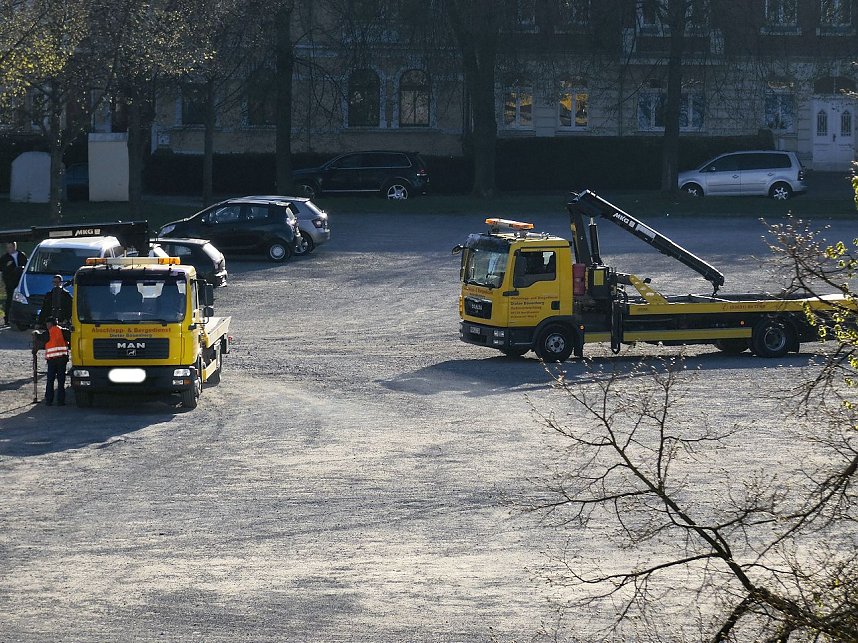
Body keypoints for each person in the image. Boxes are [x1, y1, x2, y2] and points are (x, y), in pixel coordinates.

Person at [43, 317, 69, 406]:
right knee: (61, 382)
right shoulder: (64, 331)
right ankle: (61, 401)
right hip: (62, 360)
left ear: (51, 324)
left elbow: (40, 340)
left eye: (47, 323)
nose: (46, 325)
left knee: (50, 381)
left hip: (52, 361)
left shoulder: (47, 333)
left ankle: (49, 401)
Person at [1, 241, 27, 326]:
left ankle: (22, 318)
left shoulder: (21, 255)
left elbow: (26, 265)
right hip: (10, 282)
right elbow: (2, 268)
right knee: (10, 300)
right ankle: (7, 318)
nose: (9, 249)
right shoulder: (5, 258)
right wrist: (7, 266)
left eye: (10, 247)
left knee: (22, 299)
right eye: (7, 248)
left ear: (14, 247)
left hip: (20, 281)